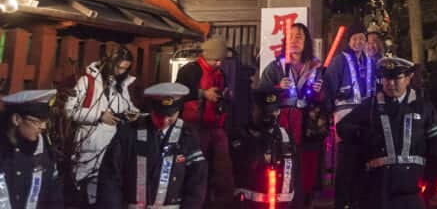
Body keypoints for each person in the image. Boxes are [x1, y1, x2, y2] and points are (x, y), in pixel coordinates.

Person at [336, 57, 437, 209]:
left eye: (397, 78)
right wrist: (362, 134)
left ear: (409, 78)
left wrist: (434, 178)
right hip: (379, 188)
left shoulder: (423, 107)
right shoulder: (371, 106)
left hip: (413, 187)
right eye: (386, 79)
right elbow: (343, 128)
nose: (390, 84)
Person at [96, 82, 207, 209]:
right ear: (151, 109)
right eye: (160, 115)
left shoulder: (188, 136)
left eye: (170, 116)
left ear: (178, 111)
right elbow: (110, 178)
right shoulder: (129, 133)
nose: (165, 121)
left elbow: (197, 182)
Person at [65, 43, 139, 206]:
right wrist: (99, 116)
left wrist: (133, 113)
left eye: (125, 69)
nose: (122, 72)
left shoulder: (121, 85)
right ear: (110, 63)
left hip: (114, 147)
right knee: (85, 196)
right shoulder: (87, 81)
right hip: (90, 148)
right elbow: (70, 111)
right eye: (119, 67)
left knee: (106, 196)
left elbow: (126, 105)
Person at [259, 22, 324, 204]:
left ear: (306, 42)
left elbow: (327, 100)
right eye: (291, 36)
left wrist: (321, 92)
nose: (295, 40)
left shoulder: (316, 68)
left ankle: (306, 201)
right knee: (284, 168)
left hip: (309, 129)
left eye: (300, 37)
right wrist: (277, 88)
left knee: (307, 169)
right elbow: (260, 94)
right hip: (284, 127)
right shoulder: (275, 67)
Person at [323, 21, 378, 209]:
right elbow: (328, 85)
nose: (358, 42)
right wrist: (329, 109)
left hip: (366, 115)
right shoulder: (340, 60)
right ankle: (342, 202)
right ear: (349, 41)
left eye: (361, 38)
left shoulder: (370, 60)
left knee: (364, 157)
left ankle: (359, 200)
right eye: (355, 39)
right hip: (344, 115)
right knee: (346, 159)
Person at [176, 37, 234, 204]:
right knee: (198, 169)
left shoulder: (221, 74)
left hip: (217, 127)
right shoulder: (190, 70)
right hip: (194, 127)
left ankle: (219, 203)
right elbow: (179, 92)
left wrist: (227, 96)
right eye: (216, 60)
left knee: (222, 171)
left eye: (221, 60)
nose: (219, 63)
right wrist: (203, 94)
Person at [231, 86, 301, 208]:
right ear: (253, 110)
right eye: (264, 112)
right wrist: (261, 141)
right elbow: (243, 167)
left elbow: (296, 176)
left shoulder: (286, 137)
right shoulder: (241, 136)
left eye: (273, 111)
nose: (269, 117)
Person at [0, 89, 63, 209]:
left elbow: (54, 195)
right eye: (37, 122)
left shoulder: (44, 152)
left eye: (45, 121)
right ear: (17, 119)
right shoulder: (3, 151)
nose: (43, 127)